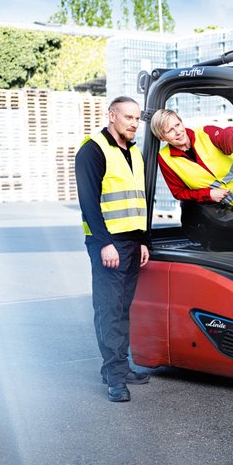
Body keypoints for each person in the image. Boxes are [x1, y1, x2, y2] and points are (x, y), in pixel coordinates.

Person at [75, 96, 150, 403]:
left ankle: (119, 365)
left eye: (137, 119)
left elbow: (139, 198)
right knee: (108, 309)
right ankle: (115, 377)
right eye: (128, 117)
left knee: (122, 308)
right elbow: (89, 202)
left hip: (131, 242)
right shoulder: (93, 150)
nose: (134, 123)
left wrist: (144, 239)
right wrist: (105, 242)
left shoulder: (133, 151)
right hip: (109, 243)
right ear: (112, 116)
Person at [150, 109, 233, 233]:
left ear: (182, 122)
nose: (178, 132)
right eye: (170, 130)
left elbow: (225, 138)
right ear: (162, 137)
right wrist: (208, 194)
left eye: (177, 125)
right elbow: (179, 192)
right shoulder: (165, 159)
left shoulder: (205, 133)